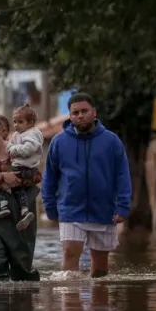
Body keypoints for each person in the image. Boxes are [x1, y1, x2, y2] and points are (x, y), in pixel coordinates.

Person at [41, 92, 132, 278]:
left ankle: (98, 306)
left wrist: (122, 205)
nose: (80, 116)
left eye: (84, 111)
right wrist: (50, 207)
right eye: (75, 113)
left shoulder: (111, 141)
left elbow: (123, 175)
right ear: (70, 115)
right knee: (69, 254)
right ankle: (70, 304)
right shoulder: (59, 142)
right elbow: (49, 177)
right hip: (70, 210)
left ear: (94, 112)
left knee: (99, 267)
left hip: (103, 210)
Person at [0, 111, 41, 281]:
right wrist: (2, 177)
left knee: (22, 267)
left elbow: (36, 176)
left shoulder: (16, 148)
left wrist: (17, 180)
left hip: (19, 213)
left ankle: (23, 303)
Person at [0, 104, 42, 231]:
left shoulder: (32, 134)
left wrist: (12, 149)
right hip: (22, 168)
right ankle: (24, 212)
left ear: (30, 122)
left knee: (4, 181)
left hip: (26, 169)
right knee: (19, 189)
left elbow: (27, 149)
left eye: (20, 122)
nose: (16, 125)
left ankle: (4, 206)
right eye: (14, 121)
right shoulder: (17, 135)